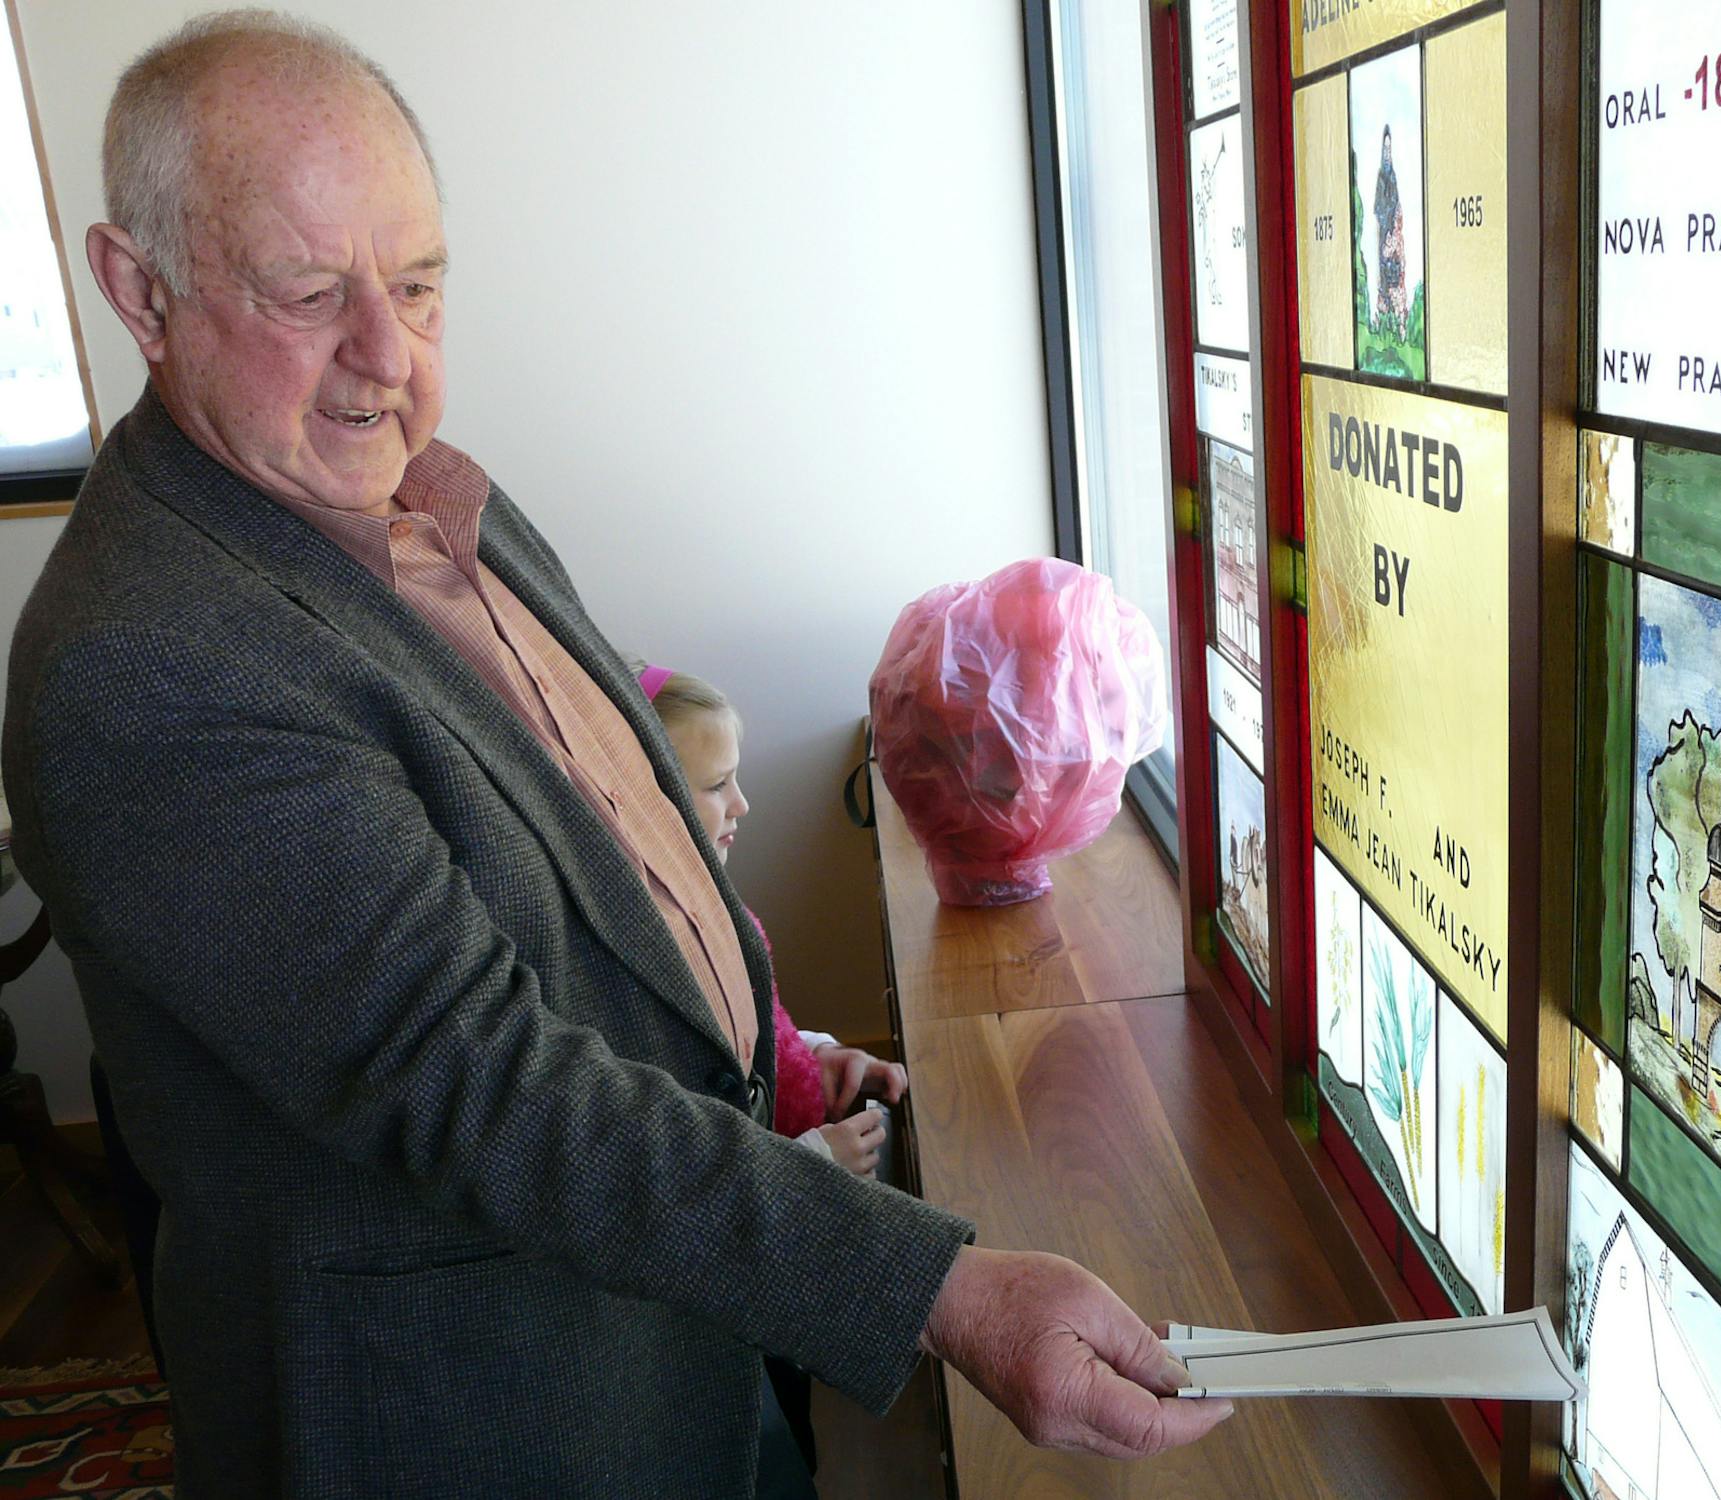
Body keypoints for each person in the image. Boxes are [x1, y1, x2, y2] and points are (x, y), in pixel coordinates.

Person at [0, 13, 1231, 1497]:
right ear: (140, 290)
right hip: (481, 1418)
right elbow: (484, 1085)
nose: (387, 357)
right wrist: (938, 1289)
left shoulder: (425, 491)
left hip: (674, 1305)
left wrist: (772, 1058)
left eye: (419, 283)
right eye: (308, 292)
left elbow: (607, 851)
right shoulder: (145, 667)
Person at [633, 662, 893, 1177]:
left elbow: (757, 1032)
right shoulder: (655, 957)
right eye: (716, 785)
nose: (742, 804)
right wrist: (813, 1162)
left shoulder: (706, 899)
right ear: (644, 802)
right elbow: (691, 1154)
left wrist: (818, 1057)